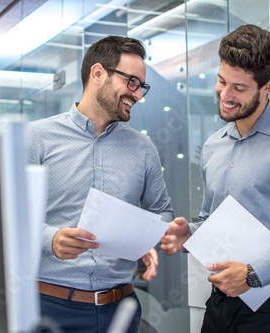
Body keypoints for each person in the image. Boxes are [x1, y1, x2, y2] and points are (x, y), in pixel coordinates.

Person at [161, 24, 270, 332]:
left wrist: (253, 274)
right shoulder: (213, 145)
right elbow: (211, 220)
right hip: (217, 304)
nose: (226, 95)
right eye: (221, 81)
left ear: (267, 86)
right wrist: (190, 233)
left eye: (240, 88)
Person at [27, 35, 174, 333]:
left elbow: (163, 212)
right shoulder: (36, 138)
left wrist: (147, 237)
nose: (138, 95)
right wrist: (50, 239)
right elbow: (5, 216)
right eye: (132, 82)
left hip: (121, 309)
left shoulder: (143, 147)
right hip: (50, 308)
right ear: (98, 73)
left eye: (141, 86)